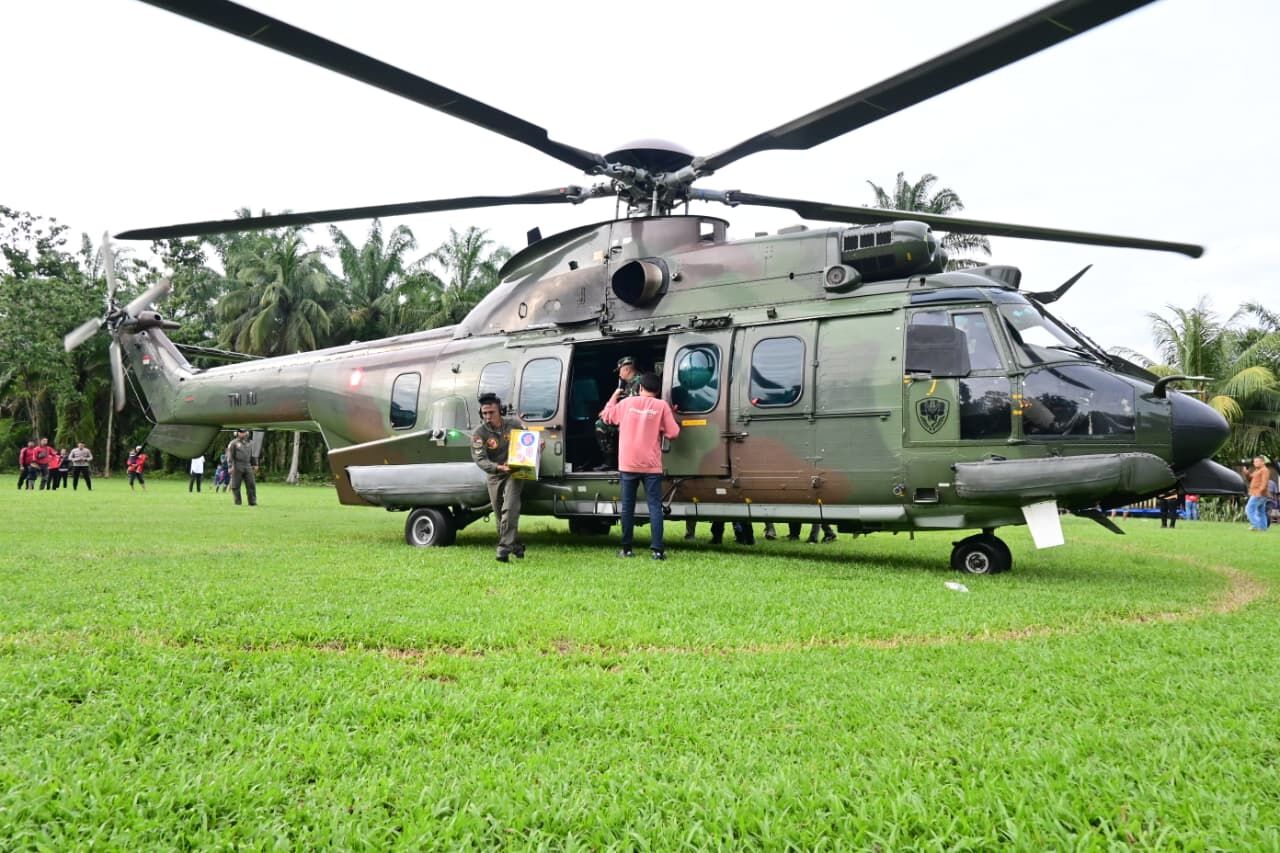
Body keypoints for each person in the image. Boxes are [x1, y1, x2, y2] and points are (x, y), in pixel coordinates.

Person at [599, 371, 680, 560]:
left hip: (628, 464)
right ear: (658, 390)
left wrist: (614, 396)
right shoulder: (662, 406)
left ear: (640, 387)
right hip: (651, 466)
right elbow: (674, 433)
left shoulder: (626, 403)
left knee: (627, 507)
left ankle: (627, 549)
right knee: (654, 507)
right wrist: (664, 421)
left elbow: (606, 417)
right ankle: (657, 551)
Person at [470, 393, 525, 562]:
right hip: (495, 474)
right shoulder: (479, 433)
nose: (487, 416)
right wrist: (497, 467)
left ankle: (503, 550)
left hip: (515, 472)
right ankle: (515, 545)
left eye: (491, 412)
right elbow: (480, 459)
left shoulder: (514, 424)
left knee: (510, 507)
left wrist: (538, 446)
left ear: (500, 411)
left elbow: (526, 443)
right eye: (484, 413)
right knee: (499, 512)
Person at [593, 356, 641, 470]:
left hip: (635, 423)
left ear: (627, 370)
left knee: (600, 425)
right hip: (631, 421)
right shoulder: (630, 383)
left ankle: (610, 462)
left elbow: (630, 407)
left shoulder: (638, 382)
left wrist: (608, 412)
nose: (619, 374)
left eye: (619, 371)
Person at [226, 429, 258, 506]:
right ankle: (237, 502)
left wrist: (255, 464)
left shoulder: (250, 443)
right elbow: (230, 456)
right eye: (241, 432)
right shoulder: (233, 443)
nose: (242, 434)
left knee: (251, 484)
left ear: (247, 433)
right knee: (235, 485)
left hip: (247, 465)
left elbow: (253, 455)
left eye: (244, 432)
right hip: (237, 465)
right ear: (237, 433)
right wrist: (230, 466)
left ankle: (252, 502)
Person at [1246, 456, 1271, 532]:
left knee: (1249, 509)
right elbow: (1250, 478)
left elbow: (1264, 482)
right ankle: (1263, 528)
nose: (1254, 463)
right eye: (1254, 462)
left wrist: (1260, 492)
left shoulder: (1264, 470)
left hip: (1259, 494)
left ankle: (1256, 526)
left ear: (1262, 462)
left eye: (1257, 461)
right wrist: (1246, 473)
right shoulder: (1257, 470)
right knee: (1261, 512)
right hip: (1259, 494)